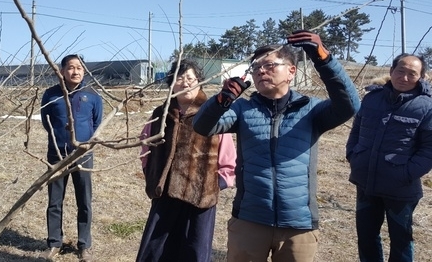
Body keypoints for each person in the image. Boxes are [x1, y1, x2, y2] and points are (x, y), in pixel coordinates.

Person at [193, 30, 360, 262]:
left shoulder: (311, 109)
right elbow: (202, 126)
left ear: (291, 71)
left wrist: (323, 58)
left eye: (270, 65)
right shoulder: (243, 109)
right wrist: (221, 101)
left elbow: (350, 105)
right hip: (250, 220)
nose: (261, 70)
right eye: (256, 67)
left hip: (298, 223)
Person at [136, 59, 236, 262]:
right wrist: (152, 175)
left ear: (199, 82)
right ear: (171, 83)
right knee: (155, 252)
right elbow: (145, 148)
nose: (185, 83)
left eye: (191, 78)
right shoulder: (160, 114)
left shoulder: (212, 114)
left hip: (200, 198)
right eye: (179, 78)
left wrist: (215, 184)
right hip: (164, 194)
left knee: (193, 251)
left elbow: (228, 159)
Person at [346, 54, 432, 262]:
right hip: (366, 182)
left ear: (421, 77)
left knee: (401, 239)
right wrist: (353, 155)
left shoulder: (427, 107)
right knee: (366, 236)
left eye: (412, 73)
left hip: (400, 187)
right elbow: (356, 130)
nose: (404, 77)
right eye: (400, 71)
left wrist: (406, 173)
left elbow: (429, 150)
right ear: (391, 71)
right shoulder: (372, 98)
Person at [39, 54, 103, 262]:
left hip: (82, 154)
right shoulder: (51, 95)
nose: (75, 72)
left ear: (84, 71)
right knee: (54, 201)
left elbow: (96, 122)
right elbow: (46, 121)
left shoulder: (92, 95)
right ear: (62, 71)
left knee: (84, 200)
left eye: (79, 68)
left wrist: (84, 143)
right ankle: (54, 242)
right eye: (71, 68)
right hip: (57, 153)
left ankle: (84, 245)